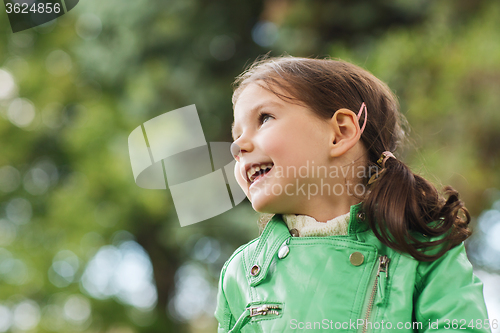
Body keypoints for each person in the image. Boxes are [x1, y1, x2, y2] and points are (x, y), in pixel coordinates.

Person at [214, 55, 492, 333]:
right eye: (236, 134)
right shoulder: (240, 274)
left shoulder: (422, 246)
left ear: (341, 132)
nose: (237, 146)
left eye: (264, 118)